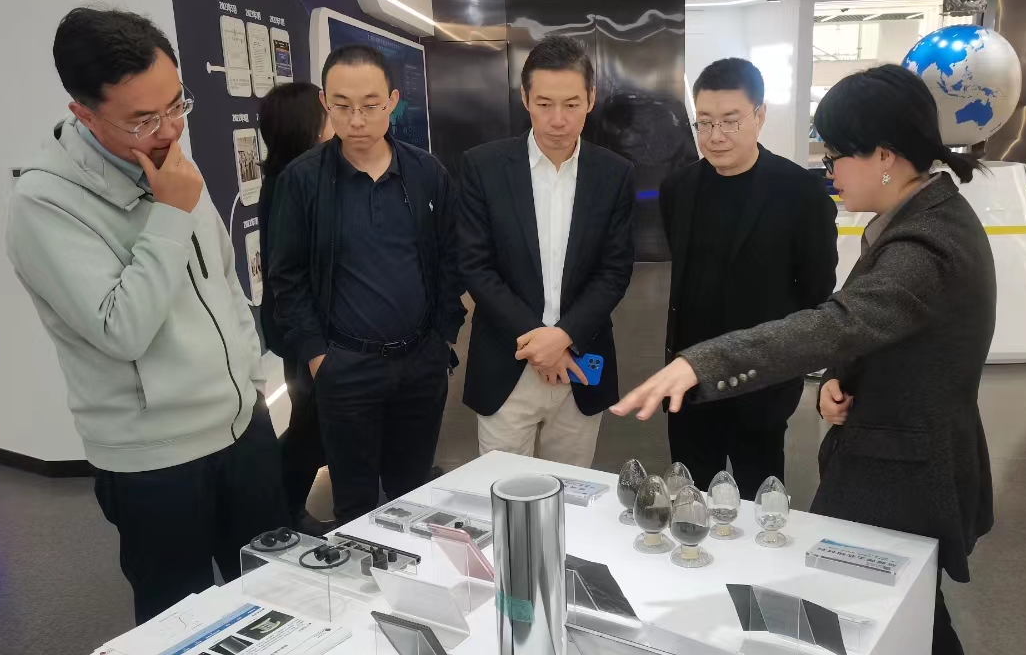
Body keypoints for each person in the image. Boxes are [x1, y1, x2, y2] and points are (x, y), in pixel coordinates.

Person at [610, 64, 999, 655]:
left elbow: (835, 319)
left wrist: (703, 362)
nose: (829, 169)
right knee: (920, 628)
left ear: (884, 155)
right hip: (898, 449)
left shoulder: (927, 241)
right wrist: (843, 382)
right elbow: (875, 329)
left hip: (900, 477)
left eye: (838, 154)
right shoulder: (923, 212)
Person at [6, 8, 287, 624]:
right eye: (143, 119)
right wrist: (169, 216)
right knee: (182, 632)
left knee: (279, 600)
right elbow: (121, 330)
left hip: (243, 427)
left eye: (176, 104)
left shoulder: (172, 162)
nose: (169, 129)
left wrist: (252, 381)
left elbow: (224, 284)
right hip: (155, 459)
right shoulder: (44, 202)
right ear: (84, 113)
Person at [266, 45, 465, 526]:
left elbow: (451, 258)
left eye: (370, 105)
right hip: (345, 366)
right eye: (342, 105)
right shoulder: (302, 180)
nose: (356, 120)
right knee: (353, 503)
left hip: (420, 363)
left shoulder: (426, 173)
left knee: (411, 493)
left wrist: (442, 337)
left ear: (392, 101)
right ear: (324, 102)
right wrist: (319, 357)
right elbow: (287, 277)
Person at [661, 58, 837, 498]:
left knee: (760, 499)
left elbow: (817, 294)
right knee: (690, 498)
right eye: (704, 122)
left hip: (761, 382)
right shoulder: (678, 188)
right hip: (691, 379)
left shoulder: (800, 193)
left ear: (760, 115)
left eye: (730, 121)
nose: (715, 136)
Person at [458, 36, 635, 468]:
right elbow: (476, 266)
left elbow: (614, 270)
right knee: (503, 488)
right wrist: (539, 341)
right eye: (544, 104)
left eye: (572, 104)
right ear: (525, 99)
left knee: (572, 490)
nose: (558, 119)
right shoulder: (483, 167)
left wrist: (564, 336)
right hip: (508, 360)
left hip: (580, 361)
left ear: (591, 99)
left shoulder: (614, 174)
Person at [256, 82, 334, 520]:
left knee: (315, 414)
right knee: (311, 420)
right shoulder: (294, 183)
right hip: (303, 326)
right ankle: (284, 511)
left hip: (296, 324)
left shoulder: (287, 177)